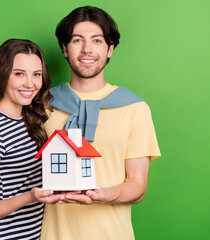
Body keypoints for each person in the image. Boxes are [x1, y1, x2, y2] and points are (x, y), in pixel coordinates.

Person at [40, 6, 161, 240]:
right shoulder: (42, 106)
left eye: (97, 40)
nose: (87, 49)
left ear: (110, 49)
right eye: (77, 40)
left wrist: (102, 194)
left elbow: (138, 185)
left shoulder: (134, 109)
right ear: (64, 49)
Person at [0, 39, 60, 240]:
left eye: (36, 74)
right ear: (2, 76)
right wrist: (31, 197)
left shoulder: (28, 120)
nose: (30, 83)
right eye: (19, 74)